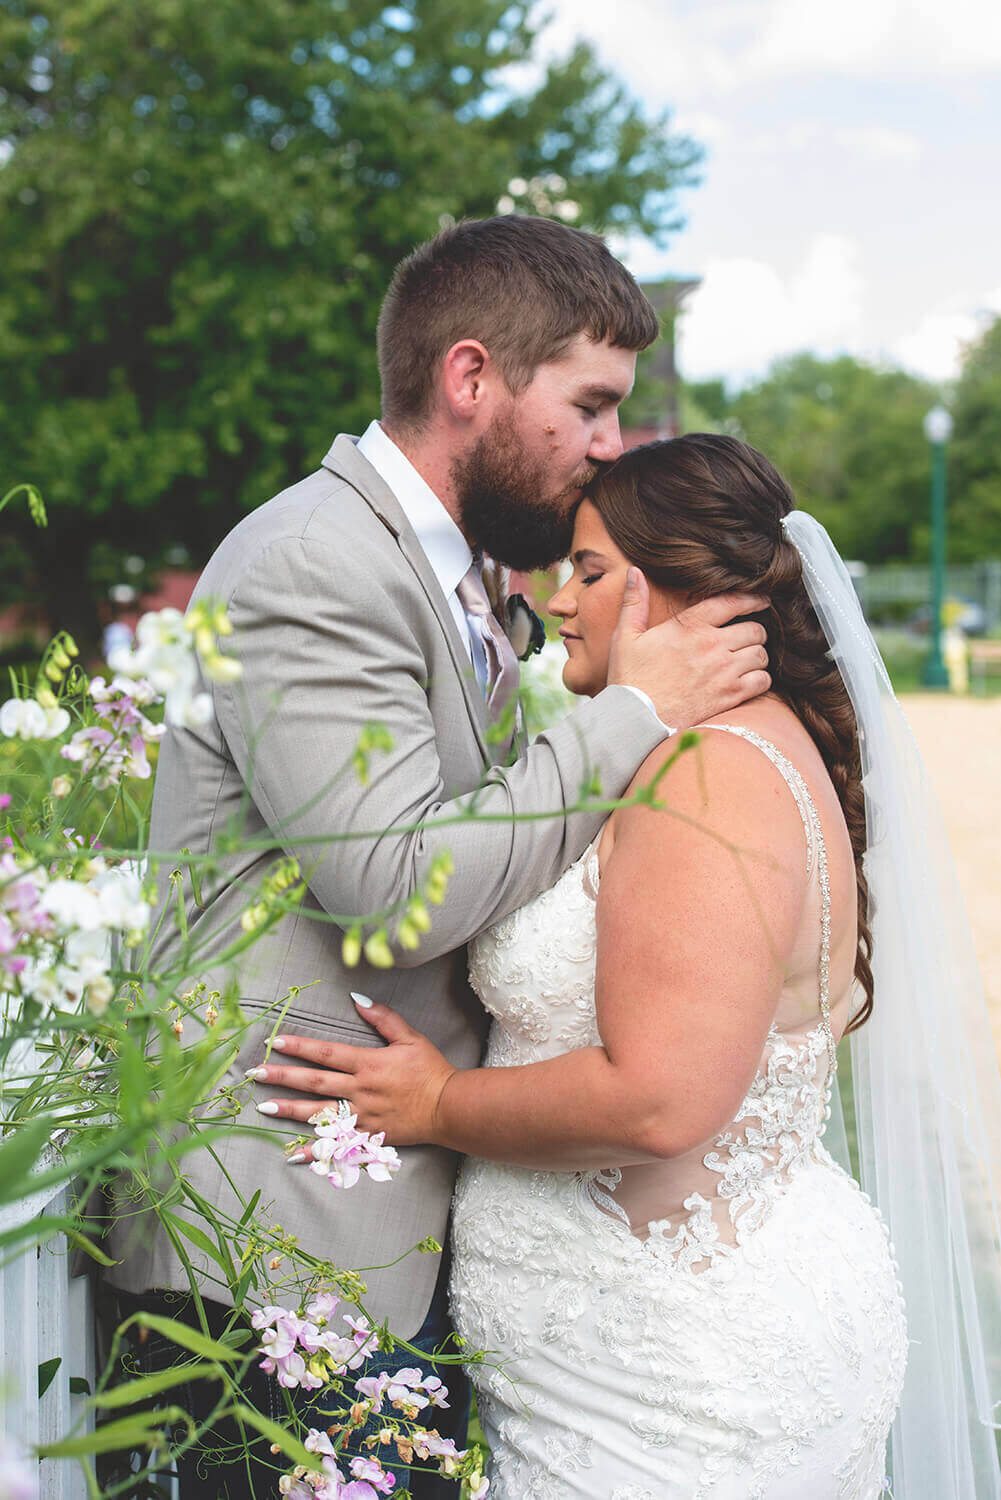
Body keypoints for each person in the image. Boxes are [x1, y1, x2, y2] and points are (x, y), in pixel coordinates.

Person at [104, 220, 771, 1497]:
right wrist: (631, 715)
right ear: (471, 377)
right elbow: (393, 886)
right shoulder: (315, 563)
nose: (609, 444)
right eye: (589, 405)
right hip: (268, 1244)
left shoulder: (461, 576)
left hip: (393, 1229)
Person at [258, 435, 1001, 1497]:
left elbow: (660, 1098)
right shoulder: (722, 747)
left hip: (675, 1370)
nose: (559, 601)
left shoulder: (706, 776)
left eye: (590, 571)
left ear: (677, 594)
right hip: (645, 1345)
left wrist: (435, 1104)